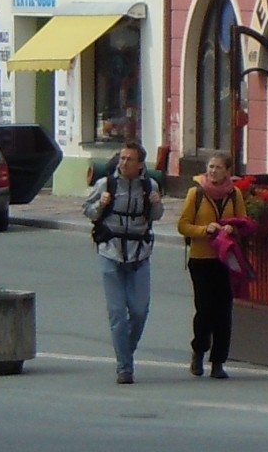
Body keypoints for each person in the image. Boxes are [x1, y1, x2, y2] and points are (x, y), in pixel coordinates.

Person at [82, 140, 163, 384]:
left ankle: (124, 351)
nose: (123, 162)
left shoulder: (150, 186)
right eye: (122, 158)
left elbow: (156, 216)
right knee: (117, 312)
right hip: (110, 252)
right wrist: (101, 204)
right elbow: (88, 210)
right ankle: (124, 367)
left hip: (140, 254)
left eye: (129, 159)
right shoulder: (105, 184)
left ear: (140, 165)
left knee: (139, 311)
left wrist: (157, 203)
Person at [176, 152, 252, 379]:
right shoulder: (196, 193)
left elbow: (244, 222)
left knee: (223, 311)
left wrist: (233, 229)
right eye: (210, 167)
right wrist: (204, 230)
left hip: (225, 259)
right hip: (201, 259)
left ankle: (218, 362)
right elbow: (182, 225)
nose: (213, 171)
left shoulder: (234, 194)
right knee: (205, 309)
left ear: (228, 171)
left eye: (218, 167)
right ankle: (199, 351)